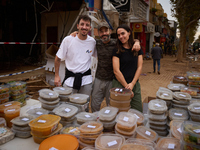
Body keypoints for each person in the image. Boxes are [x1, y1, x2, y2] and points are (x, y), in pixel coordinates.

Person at [70, 21, 141, 112]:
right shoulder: (96, 43)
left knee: (111, 105)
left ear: (110, 31)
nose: (104, 34)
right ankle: (97, 123)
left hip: (112, 80)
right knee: (94, 104)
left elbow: (129, 40)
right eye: (101, 31)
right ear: (98, 33)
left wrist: (137, 42)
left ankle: (108, 122)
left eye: (106, 31)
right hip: (99, 79)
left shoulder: (117, 43)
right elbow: (84, 39)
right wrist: (76, 33)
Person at [54, 15, 96, 101]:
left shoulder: (92, 42)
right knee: (68, 106)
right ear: (77, 26)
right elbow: (57, 58)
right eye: (82, 24)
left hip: (86, 81)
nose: (84, 27)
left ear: (90, 28)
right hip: (70, 81)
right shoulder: (68, 40)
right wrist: (56, 75)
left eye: (87, 25)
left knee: (84, 106)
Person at [112, 24, 143, 113]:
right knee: (119, 112)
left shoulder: (137, 48)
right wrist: (127, 88)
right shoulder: (117, 49)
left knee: (137, 111)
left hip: (134, 84)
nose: (121, 37)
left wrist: (132, 84)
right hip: (119, 84)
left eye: (123, 33)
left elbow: (140, 67)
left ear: (129, 33)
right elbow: (116, 71)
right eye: (118, 35)